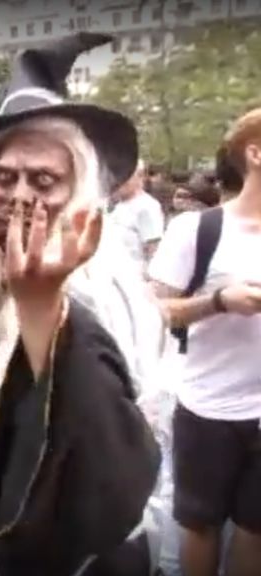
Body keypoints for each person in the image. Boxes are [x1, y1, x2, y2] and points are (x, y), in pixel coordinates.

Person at [0, 33, 160, 575]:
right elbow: (24, 373)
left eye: (44, 180)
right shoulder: (1, 279)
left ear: (79, 198)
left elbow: (106, 468)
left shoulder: (86, 301)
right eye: (3, 176)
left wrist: (43, 307)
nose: (18, 196)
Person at [149, 108, 261, 576]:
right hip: (205, 407)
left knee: (256, 530)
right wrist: (219, 301)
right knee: (201, 527)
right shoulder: (195, 230)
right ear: (255, 154)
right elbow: (156, 309)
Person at [110, 159, 166, 273]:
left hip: (133, 277)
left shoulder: (146, 207)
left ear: (139, 177)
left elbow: (154, 248)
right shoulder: (119, 205)